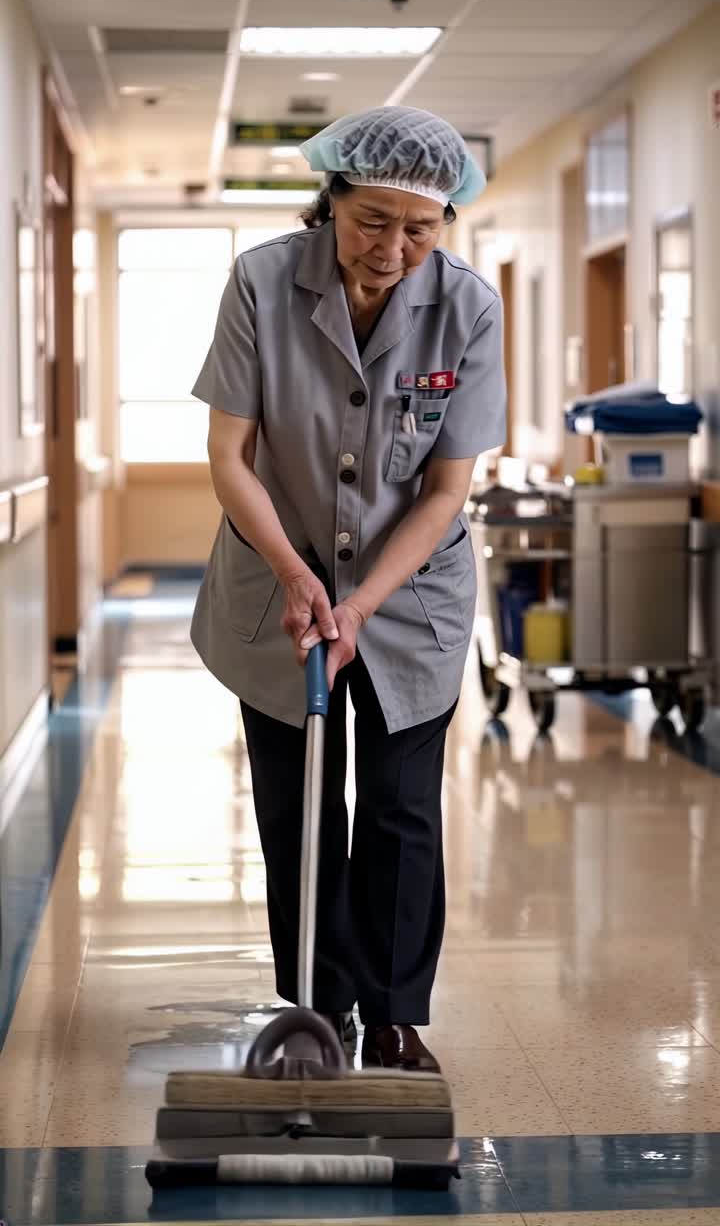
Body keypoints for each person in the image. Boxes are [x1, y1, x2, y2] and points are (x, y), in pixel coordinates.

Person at [191, 105, 506, 1071]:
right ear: (331, 201)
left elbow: (447, 488)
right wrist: (295, 572)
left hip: (410, 597)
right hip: (277, 579)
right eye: (374, 220)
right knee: (299, 805)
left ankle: (398, 1015)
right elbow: (229, 454)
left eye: (422, 226)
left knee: (402, 810)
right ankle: (317, 1014)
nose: (395, 248)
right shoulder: (261, 281)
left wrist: (362, 603)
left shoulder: (469, 306)